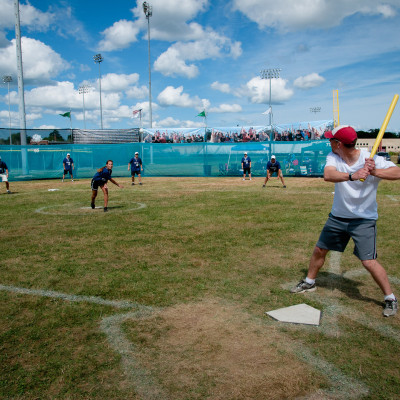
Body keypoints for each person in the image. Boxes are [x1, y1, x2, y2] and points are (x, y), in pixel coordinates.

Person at [290, 125, 400, 317]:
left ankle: (390, 298)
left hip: (363, 220)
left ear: (338, 143)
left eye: (331, 140)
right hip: (338, 217)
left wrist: (374, 172)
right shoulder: (334, 157)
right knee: (319, 250)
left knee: (368, 261)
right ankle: (309, 282)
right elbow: (328, 175)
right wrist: (353, 175)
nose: (329, 142)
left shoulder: (370, 158)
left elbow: (397, 172)